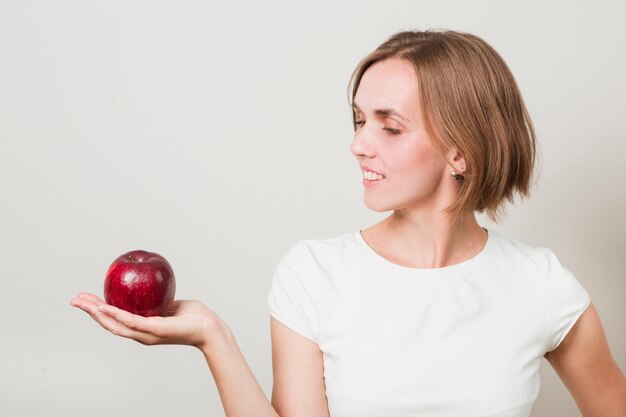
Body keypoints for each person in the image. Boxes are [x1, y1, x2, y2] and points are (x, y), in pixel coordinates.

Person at [71, 29, 626, 417]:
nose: (358, 144)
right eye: (360, 120)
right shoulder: (314, 274)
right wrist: (212, 338)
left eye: (390, 126)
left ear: (461, 150)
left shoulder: (543, 286)